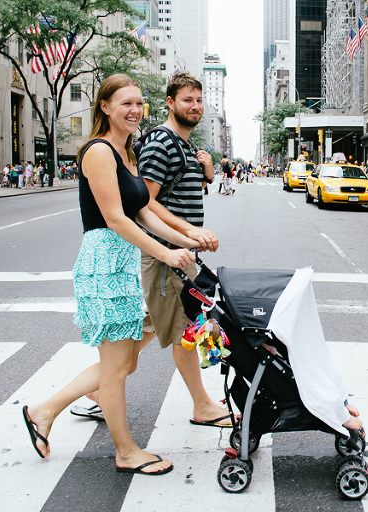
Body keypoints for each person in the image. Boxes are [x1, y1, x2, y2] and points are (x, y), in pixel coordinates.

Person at [23, 74, 200, 475]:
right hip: (106, 264)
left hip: (126, 264)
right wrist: (166, 254)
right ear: (105, 107)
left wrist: (184, 240)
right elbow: (116, 220)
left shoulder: (126, 152)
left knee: (122, 363)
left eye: (140, 103)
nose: (136, 110)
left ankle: (44, 411)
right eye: (126, 103)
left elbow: (143, 212)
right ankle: (125, 451)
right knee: (118, 366)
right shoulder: (99, 151)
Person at [129, 72, 232, 429]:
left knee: (157, 324)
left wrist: (206, 171)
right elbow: (146, 201)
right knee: (187, 326)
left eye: (199, 100)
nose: (195, 106)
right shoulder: (162, 142)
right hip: (167, 253)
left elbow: (183, 191)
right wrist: (188, 233)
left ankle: (98, 385)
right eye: (187, 100)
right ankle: (202, 405)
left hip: (183, 251)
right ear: (170, 103)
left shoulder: (184, 144)